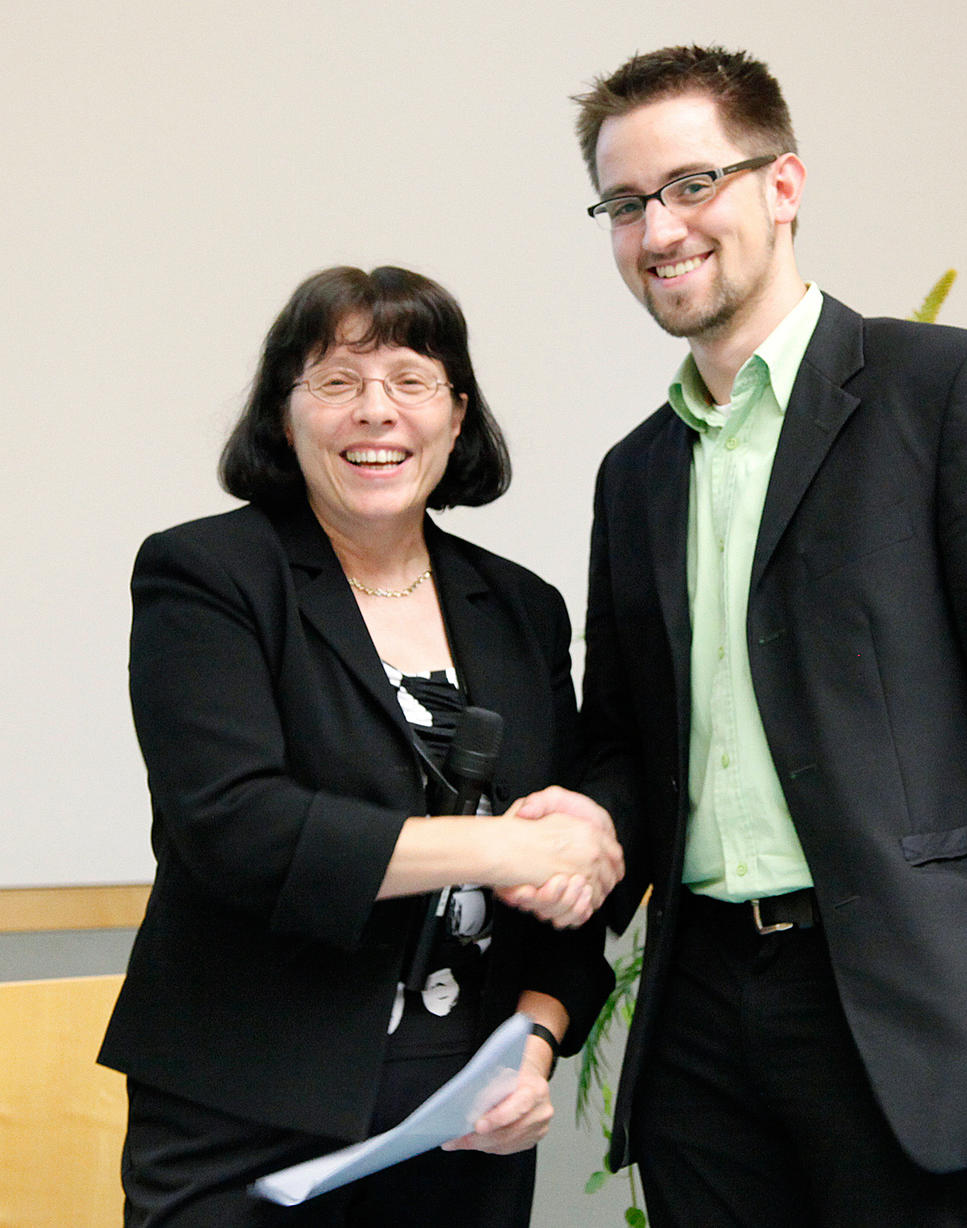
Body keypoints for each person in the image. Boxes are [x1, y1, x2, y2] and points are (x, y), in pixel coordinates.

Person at [561, 44, 967, 1227]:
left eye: (690, 185)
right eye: (624, 204)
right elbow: (626, 739)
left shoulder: (947, 391)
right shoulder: (637, 473)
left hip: (904, 1005)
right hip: (700, 1017)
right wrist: (567, 828)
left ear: (782, 184)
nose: (658, 230)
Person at [98, 265, 623, 1227]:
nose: (376, 411)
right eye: (337, 381)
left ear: (456, 417)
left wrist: (534, 1045)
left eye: (412, 380)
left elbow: (564, 879)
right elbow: (236, 829)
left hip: (459, 1116)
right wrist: (501, 846)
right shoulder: (207, 574)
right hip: (245, 1104)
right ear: (285, 414)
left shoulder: (520, 608)